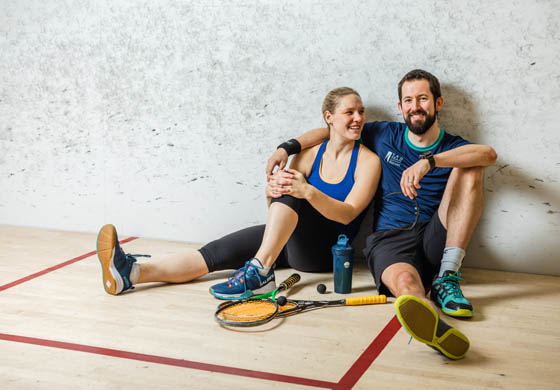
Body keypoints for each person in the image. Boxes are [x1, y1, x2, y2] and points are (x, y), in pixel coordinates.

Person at [266, 69, 497, 359]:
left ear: (438, 103)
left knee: (471, 167)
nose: (415, 107)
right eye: (408, 100)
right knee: (405, 284)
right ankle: (434, 327)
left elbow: (487, 155)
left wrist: (430, 162)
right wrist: (286, 148)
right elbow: (330, 131)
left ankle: (447, 276)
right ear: (400, 107)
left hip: (437, 234)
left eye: (423, 98)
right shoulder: (383, 134)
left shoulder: (454, 146)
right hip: (390, 238)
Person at [96, 87, 381, 302]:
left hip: (323, 251)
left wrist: (305, 190)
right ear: (329, 118)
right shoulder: (310, 153)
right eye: (350, 112)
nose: (359, 118)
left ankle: (259, 272)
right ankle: (131, 273)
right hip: (286, 238)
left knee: (291, 185)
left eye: (361, 112)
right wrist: (272, 192)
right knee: (214, 253)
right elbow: (280, 206)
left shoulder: (368, 161)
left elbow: (349, 212)